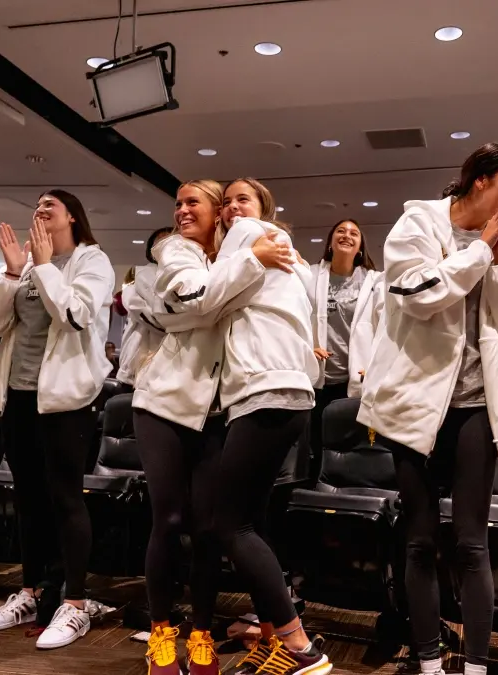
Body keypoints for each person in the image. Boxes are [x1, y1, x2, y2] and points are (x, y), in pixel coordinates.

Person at [360, 143, 498, 675]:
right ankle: (428, 659)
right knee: (418, 541)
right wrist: (483, 247)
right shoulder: (417, 222)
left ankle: (479, 664)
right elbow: (417, 294)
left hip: (474, 406)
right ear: (480, 181)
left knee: (471, 542)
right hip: (414, 404)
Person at [131, 179, 295, 675]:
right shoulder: (175, 250)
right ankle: (162, 634)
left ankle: (201, 634)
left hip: (219, 412)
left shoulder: (237, 252)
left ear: (216, 211)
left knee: (207, 528)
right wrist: (251, 264)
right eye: (177, 203)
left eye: (193, 202)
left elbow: (231, 311)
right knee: (169, 519)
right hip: (162, 403)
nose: (181, 211)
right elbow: (192, 303)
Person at [203, 177, 332, 675]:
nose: (234, 208)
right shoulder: (293, 258)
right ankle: (275, 634)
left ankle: (300, 647)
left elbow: (209, 298)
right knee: (250, 523)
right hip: (288, 390)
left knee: (228, 524)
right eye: (228, 201)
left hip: (264, 391)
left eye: (244, 199)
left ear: (263, 209)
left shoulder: (252, 235)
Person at [0, 190, 115, 649]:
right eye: (36, 205)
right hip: (17, 396)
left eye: (49, 205)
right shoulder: (27, 264)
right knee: (28, 499)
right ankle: (33, 590)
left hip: (65, 400)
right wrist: (14, 271)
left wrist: (43, 266)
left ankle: (74, 602)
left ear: (72, 216)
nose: (39, 210)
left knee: (65, 499)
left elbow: (74, 315)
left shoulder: (91, 260)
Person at [307, 219, 382, 459]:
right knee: (316, 443)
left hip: (356, 375)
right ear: (330, 242)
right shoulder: (310, 275)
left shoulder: (374, 281)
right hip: (317, 377)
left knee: (353, 443)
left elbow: (383, 328)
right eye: (340, 231)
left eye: (354, 233)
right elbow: (296, 318)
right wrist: (307, 347)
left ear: (360, 246)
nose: (346, 235)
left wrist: (376, 366)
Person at [117, 227, 172, 388]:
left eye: (169, 240)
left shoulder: (187, 275)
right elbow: (135, 306)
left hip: (170, 363)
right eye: (159, 240)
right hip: (136, 358)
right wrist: (172, 325)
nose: (164, 245)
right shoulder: (136, 273)